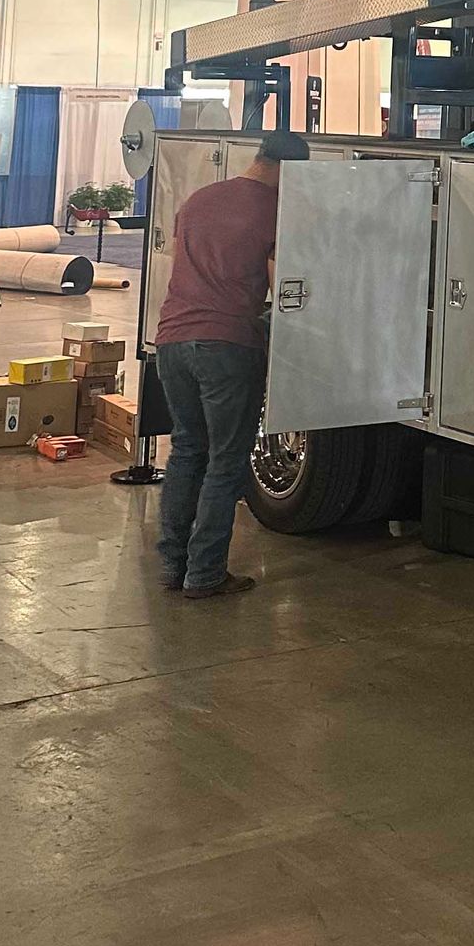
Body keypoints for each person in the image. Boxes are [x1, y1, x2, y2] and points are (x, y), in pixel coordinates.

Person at [152, 130, 305, 599]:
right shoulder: (276, 208)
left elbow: (183, 263)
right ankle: (205, 575)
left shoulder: (200, 199)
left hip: (172, 341)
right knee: (225, 462)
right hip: (226, 344)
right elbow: (288, 282)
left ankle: (170, 567)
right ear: (287, 169)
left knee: (186, 451)